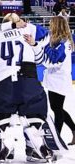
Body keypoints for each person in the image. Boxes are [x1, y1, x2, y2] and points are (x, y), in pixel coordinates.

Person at [0, 13, 66, 164]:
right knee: (34, 115)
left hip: (2, 82)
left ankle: (4, 145)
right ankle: (35, 148)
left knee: (0, 115)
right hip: (29, 79)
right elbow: (45, 41)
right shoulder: (31, 29)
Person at [41, 16, 75, 145]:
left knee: (57, 108)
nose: (49, 26)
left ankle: (56, 138)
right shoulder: (57, 40)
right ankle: (73, 130)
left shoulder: (64, 42)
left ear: (56, 25)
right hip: (55, 79)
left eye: (51, 24)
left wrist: (44, 48)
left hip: (60, 79)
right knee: (57, 108)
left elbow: (55, 61)